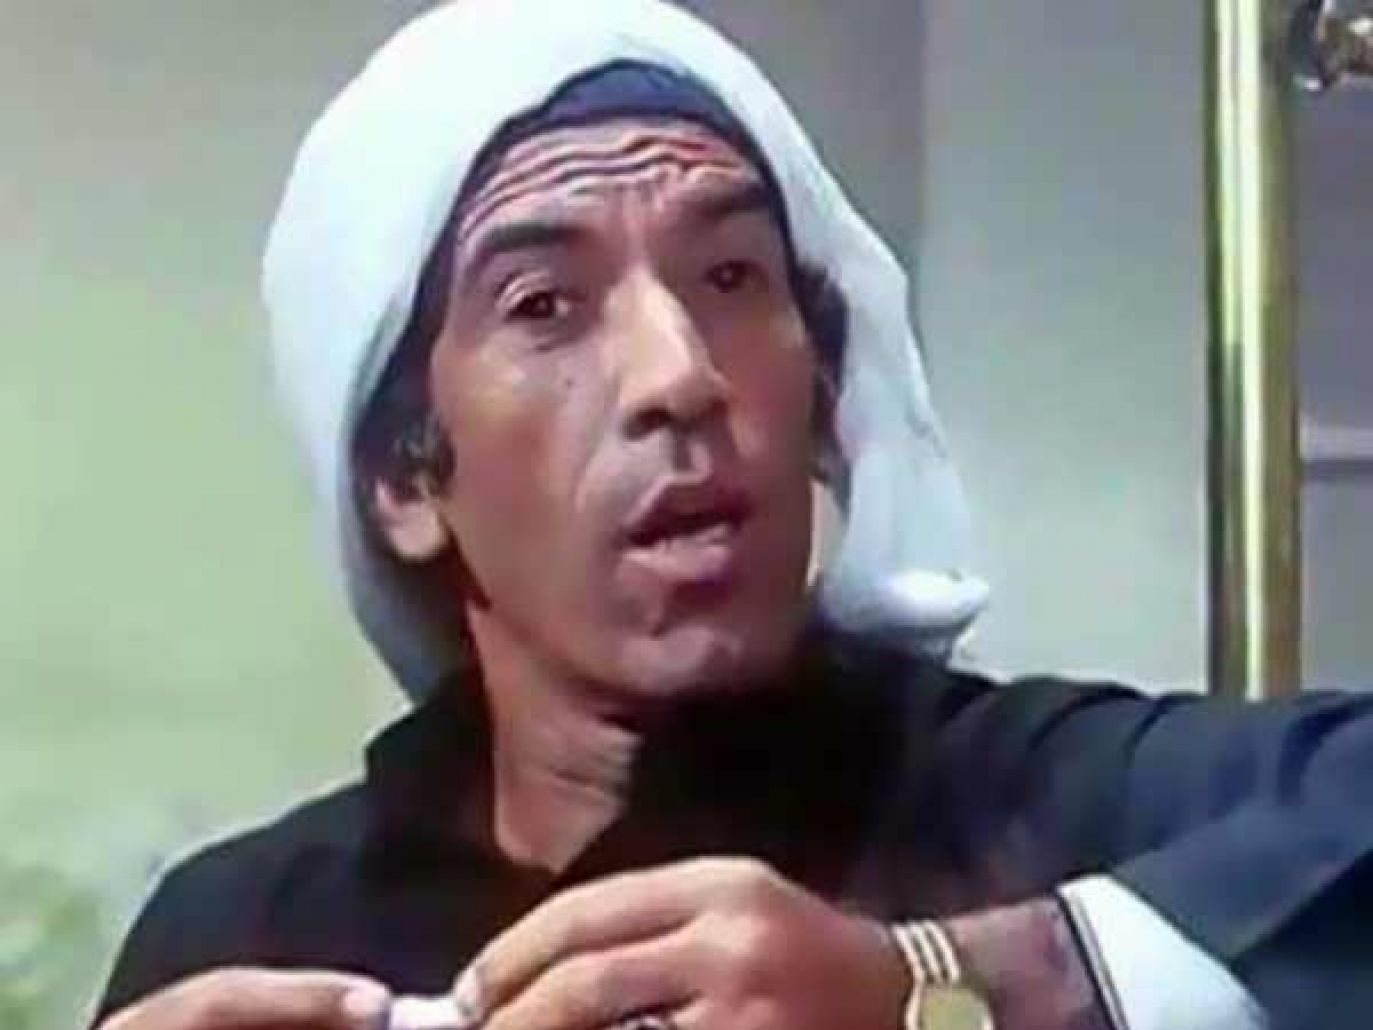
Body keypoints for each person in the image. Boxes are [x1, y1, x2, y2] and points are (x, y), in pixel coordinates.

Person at [91, 3, 1373, 1030]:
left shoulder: (1027, 795)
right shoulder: (253, 932)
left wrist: (934, 991)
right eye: (544, 306)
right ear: (403, 478)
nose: (680, 373)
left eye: (728, 274)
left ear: (822, 403)